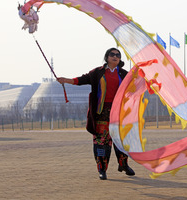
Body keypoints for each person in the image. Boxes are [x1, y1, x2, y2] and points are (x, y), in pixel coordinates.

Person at [57, 48, 135, 180]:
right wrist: (66, 80)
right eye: (112, 54)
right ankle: (102, 169)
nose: (115, 57)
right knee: (101, 141)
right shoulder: (97, 73)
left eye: (118, 55)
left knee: (121, 140)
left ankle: (124, 165)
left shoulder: (124, 74)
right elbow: (82, 80)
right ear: (107, 57)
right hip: (101, 112)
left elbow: (137, 84)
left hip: (119, 113)